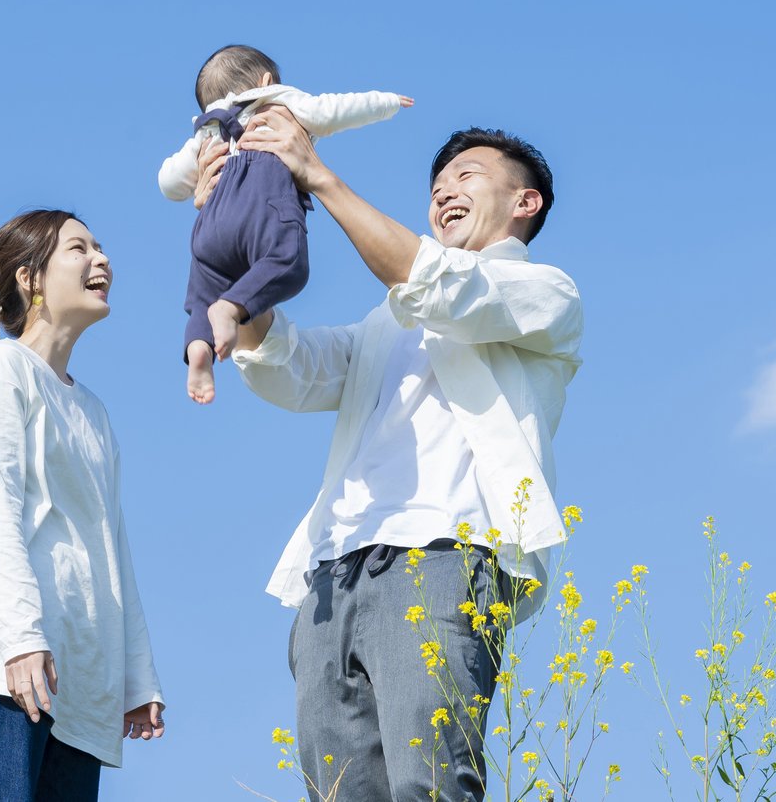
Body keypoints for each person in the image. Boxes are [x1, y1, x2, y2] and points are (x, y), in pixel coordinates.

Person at [202, 112, 582, 802]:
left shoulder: (543, 293)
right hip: (335, 567)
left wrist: (319, 175)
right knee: (340, 791)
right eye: (436, 183)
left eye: (466, 175)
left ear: (524, 202)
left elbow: (441, 286)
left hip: (443, 553)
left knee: (427, 782)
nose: (443, 192)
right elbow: (294, 366)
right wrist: (234, 227)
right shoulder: (386, 320)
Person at [0, 210, 165, 801]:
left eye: (100, 247)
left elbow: (111, 545)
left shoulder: (94, 411)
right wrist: (21, 638)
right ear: (31, 278)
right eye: (79, 249)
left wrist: (136, 672)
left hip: (81, 684)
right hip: (6, 667)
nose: (102, 260)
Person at [158, 43, 412, 403]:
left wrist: (200, 171)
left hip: (211, 217)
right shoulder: (279, 103)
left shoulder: (206, 131)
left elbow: (169, 183)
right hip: (262, 205)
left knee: (203, 292)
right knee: (287, 262)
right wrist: (385, 103)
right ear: (265, 80)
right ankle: (231, 308)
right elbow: (333, 110)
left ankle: (198, 346)